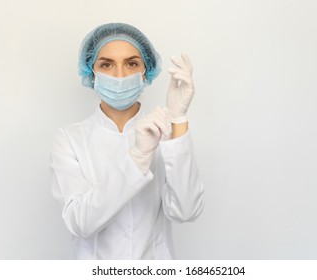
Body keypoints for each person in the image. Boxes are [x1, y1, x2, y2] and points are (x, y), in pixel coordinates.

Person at [50, 22, 204, 260]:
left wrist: (178, 119)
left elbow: (186, 211)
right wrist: (138, 158)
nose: (120, 76)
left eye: (131, 63)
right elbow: (80, 222)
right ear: (91, 72)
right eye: (107, 64)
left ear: (146, 71)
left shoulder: (164, 131)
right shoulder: (70, 139)